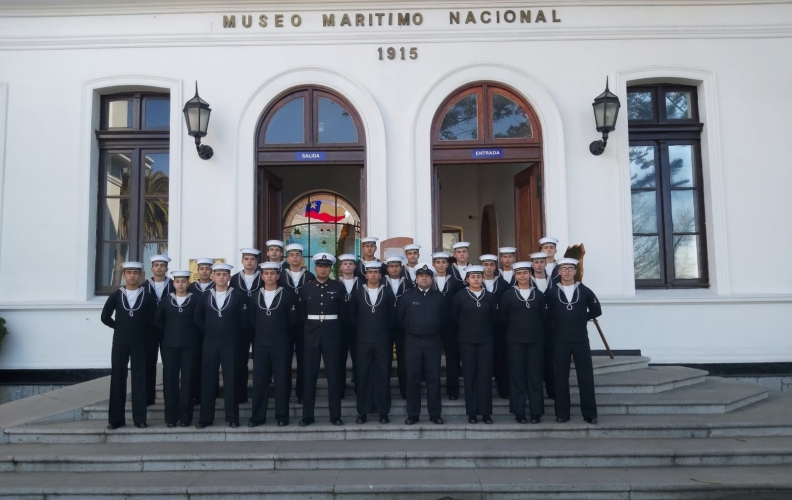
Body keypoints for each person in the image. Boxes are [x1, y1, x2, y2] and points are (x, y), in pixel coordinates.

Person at [546, 258, 602, 425]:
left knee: (585, 377)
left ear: (575, 271)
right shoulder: (552, 291)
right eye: (564, 269)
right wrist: (556, 325)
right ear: (559, 272)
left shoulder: (584, 290)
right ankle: (562, 413)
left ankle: (590, 413)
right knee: (560, 378)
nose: (567, 272)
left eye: (570, 268)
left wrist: (581, 319)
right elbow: (545, 314)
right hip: (560, 341)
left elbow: (596, 309)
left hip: (580, 340)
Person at [101, 262, 156, 430]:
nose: (132, 275)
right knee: (118, 378)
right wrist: (119, 327)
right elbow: (105, 317)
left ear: (140, 275)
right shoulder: (116, 295)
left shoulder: (147, 295)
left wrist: (142, 329)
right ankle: (116, 420)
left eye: (136, 272)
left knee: (139, 379)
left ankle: (140, 418)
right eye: (129, 272)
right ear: (124, 274)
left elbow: (153, 318)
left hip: (140, 343)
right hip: (120, 342)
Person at [194, 263, 249, 428]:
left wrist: (231, 331)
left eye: (224, 275)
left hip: (231, 343)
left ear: (229, 278)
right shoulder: (205, 296)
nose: (221, 277)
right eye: (218, 274)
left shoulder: (238, 295)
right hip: (210, 343)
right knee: (208, 380)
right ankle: (205, 418)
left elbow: (244, 320)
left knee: (231, 380)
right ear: (212, 277)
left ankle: (232, 418)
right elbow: (197, 318)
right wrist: (210, 330)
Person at [248, 262, 299, 427]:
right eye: (266, 273)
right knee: (260, 381)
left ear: (278, 276)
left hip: (281, 344)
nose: (269, 276)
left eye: (272, 273)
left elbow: (293, 321)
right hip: (261, 344)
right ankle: (257, 417)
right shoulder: (255, 296)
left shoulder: (288, 295)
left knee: (282, 380)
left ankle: (282, 416)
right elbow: (251, 320)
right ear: (262, 276)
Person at [299, 253, 347, 427]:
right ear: (315, 267)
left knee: (334, 377)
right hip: (311, 335)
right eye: (320, 266)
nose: (323, 268)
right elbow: (302, 314)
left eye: (326, 266)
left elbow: (343, 314)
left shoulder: (338, 287)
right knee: (309, 376)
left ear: (330, 268)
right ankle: (307, 415)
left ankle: (335, 415)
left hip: (332, 335)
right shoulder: (306, 288)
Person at [397, 264, 447, 425]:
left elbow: (446, 320)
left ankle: (435, 414)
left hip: (433, 342)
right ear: (416, 279)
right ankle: (413, 414)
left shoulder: (439, 298)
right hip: (413, 342)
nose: (424, 278)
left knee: (434, 379)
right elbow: (399, 320)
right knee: (412, 379)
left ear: (432, 279)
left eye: (427, 276)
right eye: (421, 276)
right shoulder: (407, 297)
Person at [349, 261, 396, 424]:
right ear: (365, 275)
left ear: (381, 275)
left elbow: (392, 317)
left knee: (383, 375)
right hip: (363, 341)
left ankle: (383, 411)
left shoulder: (388, 293)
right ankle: (363, 411)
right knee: (363, 376)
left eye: (376, 272)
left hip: (383, 341)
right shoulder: (357, 293)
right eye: (370, 272)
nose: (373, 275)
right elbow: (352, 316)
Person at [500, 261, 547, 424]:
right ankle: (519, 412)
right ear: (515, 276)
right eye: (519, 273)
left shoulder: (539, 295)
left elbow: (544, 318)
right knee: (517, 376)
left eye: (525, 273)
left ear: (530, 274)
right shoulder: (507, 295)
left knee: (535, 376)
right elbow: (503, 318)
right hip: (515, 342)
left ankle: (536, 412)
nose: (522, 276)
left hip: (535, 341)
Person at [452, 265, 497, 424]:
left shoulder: (490, 296)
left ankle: (485, 413)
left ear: (482, 278)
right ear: (467, 280)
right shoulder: (460, 297)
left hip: (485, 341)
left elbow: (494, 318)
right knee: (469, 376)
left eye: (479, 276)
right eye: (473, 277)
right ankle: (472, 413)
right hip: (466, 341)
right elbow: (455, 318)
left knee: (484, 376)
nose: (476, 279)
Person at [154, 270, 200, 428]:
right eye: (177, 281)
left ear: (188, 283)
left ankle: (185, 417)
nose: (180, 284)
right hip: (170, 346)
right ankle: (171, 418)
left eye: (183, 281)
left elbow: (200, 320)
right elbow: (158, 321)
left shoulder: (196, 300)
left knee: (188, 380)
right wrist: (169, 332)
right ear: (173, 283)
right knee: (170, 381)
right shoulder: (166, 301)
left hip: (190, 346)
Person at [278, 243, 316, 403]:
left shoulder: (309, 276)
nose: (294, 257)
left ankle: (302, 392)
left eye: (297, 254)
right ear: (287, 257)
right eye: (292, 254)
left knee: (304, 360)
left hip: (304, 324)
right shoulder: (279, 275)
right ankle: (284, 393)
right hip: (284, 325)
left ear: (301, 257)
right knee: (284, 360)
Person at [231, 248, 263, 405]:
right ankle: (240, 394)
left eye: (252, 259)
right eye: (247, 259)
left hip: (260, 326)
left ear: (257, 261)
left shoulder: (264, 277)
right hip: (240, 327)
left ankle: (261, 394)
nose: (250, 261)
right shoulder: (233, 279)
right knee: (240, 361)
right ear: (242, 261)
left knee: (260, 361)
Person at [432, 251, 463, 400]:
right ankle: (433, 388)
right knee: (433, 358)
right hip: (433, 325)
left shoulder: (455, 281)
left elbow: (458, 303)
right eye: (438, 262)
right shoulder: (429, 281)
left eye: (443, 262)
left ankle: (453, 389)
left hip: (450, 325)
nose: (441, 265)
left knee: (452, 357)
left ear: (447, 264)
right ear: (434, 264)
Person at [143, 254, 173, 406]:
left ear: (167, 268)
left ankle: (170, 397)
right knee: (149, 364)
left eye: (162, 265)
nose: (159, 267)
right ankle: (148, 397)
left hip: (169, 331)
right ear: (152, 268)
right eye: (156, 265)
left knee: (169, 365)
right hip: (149, 332)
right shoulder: (143, 287)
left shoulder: (175, 285)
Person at [481, 254, 510, 399]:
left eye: (492, 265)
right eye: (486, 265)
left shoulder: (503, 283)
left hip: (499, 327)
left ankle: (503, 388)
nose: (489, 267)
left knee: (501, 357)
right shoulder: (475, 282)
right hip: (481, 327)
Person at [187, 258, 215, 407]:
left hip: (213, 332)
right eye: (201, 268)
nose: (204, 271)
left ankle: (211, 393)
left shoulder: (217, 286)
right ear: (197, 270)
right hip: (194, 333)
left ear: (211, 271)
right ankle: (196, 395)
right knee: (195, 364)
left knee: (211, 364)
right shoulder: (190, 288)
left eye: (207, 268)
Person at [530, 251, 555, 399]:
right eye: (536, 262)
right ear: (532, 265)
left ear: (546, 263)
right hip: (533, 328)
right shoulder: (525, 281)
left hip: (551, 328)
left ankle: (552, 390)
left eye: (541, 262)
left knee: (551, 360)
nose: (539, 265)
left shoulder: (554, 281)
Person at [385, 255, 411, 399]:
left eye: (397, 266)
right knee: (385, 360)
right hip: (385, 327)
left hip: (403, 327)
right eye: (391, 266)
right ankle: (385, 390)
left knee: (404, 359)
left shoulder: (408, 283)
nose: (394, 269)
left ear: (401, 268)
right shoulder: (381, 282)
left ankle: (405, 391)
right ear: (387, 268)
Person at [337, 253, 360, 397]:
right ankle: (340, 390)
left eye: (351, 264)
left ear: (355, 266)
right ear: (340, 267)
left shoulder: (363, 282)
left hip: (359, 327)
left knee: (359, 359)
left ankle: (359, 387)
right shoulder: (334, 283)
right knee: (339, 359)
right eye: (345, 264)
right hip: (339, 328)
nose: (348, 266)